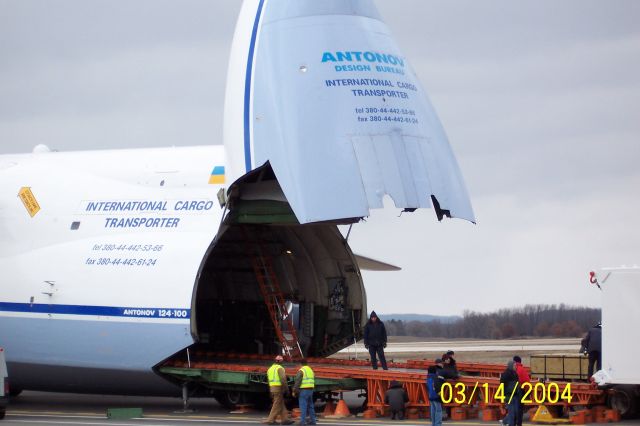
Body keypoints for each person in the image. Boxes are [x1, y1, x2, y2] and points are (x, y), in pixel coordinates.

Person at [264, 355, 294, 425]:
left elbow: (268, 381)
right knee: (277, 404)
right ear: (281, 361)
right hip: (278, 388)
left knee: (280, 403)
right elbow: (283, 380)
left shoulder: (270, 369)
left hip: (272, 388)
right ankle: (270, 419)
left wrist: (270, 390)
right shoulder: (280, 368)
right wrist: (287, 389)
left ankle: (285, 419)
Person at [292, 359, 317, 426]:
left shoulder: (301, 370)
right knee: (310, 406)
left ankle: (302, 422)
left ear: (300, 364)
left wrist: (294, 391)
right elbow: (314, 378)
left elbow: (298, 382)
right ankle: (313, 421)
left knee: (303, 406)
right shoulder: (310, 370)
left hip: (303, 390)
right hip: (310, 390)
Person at [499, 360, 520, 426]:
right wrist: (503, 395)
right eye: (514, 365)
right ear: (511, 366)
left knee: (516, 412)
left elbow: (517, 384)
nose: (515, 367)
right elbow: (502, 385)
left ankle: (505, 422)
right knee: (512, 412)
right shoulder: (505, 374)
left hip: (515, 395)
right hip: (509, 395)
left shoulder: (515, 373)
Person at [512, 356, 530, 426]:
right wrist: (527, 392)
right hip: (520, 391)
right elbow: (527, 382)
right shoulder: (522, 370)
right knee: (519, 409)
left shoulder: (512, 369)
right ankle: (519, 424)